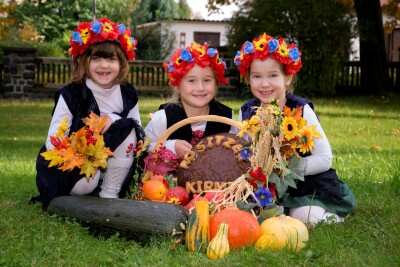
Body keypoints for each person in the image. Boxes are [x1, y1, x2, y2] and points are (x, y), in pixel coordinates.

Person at [234, 33, 357, 225]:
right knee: (250, 217)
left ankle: (333, 215)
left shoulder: (301, 110)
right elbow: (239, 153)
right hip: (264, 187)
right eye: (256, 76)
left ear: (288, 77)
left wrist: (287, 171)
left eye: (273, 75)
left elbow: (325, 159)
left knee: (306, 218)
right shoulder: (246, 112)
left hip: (305, 183)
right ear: (248, 79)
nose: (264, 83)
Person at [32, 17, 144, 209]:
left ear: (122, 63)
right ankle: (85, 186)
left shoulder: (127, 93)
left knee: (127, 126)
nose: (104, 65)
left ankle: (110, 192)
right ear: (84, 61)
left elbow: (138, 130)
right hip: (72, 160)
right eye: (96, 58)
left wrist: (114, 118)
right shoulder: (72, 93)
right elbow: (54, 139)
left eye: (111, 59)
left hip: (109, 158)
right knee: (86, 185)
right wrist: (78, 151)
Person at [145, 42, 236, 159]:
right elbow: (145, 146)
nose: (200, 88)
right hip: (167, 177)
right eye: (192, 81)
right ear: (177, 85)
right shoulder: (163, 118)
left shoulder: (226, 118)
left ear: (216, 83)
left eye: (207, 80)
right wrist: (171, 145)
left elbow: (237, 147)